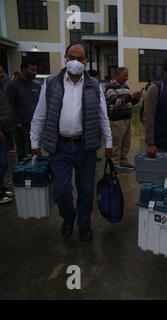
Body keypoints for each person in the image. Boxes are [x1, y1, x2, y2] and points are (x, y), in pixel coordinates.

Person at [30, 43, 113, 242]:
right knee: (61, 190)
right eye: (72, 57)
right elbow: (40, 115)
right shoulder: (51, 83)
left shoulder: (94, 85)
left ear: (85, 61)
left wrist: (108, 141)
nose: (76, 61)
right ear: (66, 58)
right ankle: (68, 218)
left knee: (85, 190)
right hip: (60, 147)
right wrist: (34, 142)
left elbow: (103, 116)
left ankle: (84, 224)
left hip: (86, 146)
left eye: (80, 58)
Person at [104, 67, 142, 169]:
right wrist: (131, 96)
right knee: (117, 143)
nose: (127, 77)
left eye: (127, 75)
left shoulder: (126, 87)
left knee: (126, 143)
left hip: (127, 119)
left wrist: (136, 99)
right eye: (125, 75)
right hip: (116, 120)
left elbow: (129, 102)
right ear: (118, 75)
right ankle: (115, 163)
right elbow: (115, 102)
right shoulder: (110, 87)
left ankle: (123, 160)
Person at [5, 60, 40, 162]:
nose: (35, 72)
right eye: (32, 70)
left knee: (36, 152)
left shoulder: (36, 86)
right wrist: (17, 122)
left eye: (36, 70)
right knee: (23, 154)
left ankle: (36, 174)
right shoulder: (12, 85)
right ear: (24, 69)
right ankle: (24, 176)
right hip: (22, 126)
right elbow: (9, 105)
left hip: (36, 125)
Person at [0, 89, 15, 204]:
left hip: (6, 130)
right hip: (2, 131)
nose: (2, 75)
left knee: (4, 163)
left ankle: (2, 187)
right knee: (1, 163)